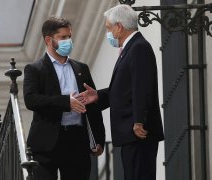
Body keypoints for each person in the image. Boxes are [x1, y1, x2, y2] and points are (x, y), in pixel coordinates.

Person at [76, 4, 164, 180]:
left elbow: (142, 87)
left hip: (138, 132)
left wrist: (139, 120)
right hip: (131, 134)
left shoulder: (138, 47)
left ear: (119, 26)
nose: (109, 33)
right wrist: (98, 96)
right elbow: (124, 89)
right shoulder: (129, 49)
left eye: (109, 28)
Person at [23, 16, 105, 180]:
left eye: (69, 36)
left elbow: (93, 106)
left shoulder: (81, 68)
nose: (68, 41)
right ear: (48, 39)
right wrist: (66, 102)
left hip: (77, 141)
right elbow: (31, 99)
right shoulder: (35, 69)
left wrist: (98, 138)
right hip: (46, 143)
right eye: (63, 37)